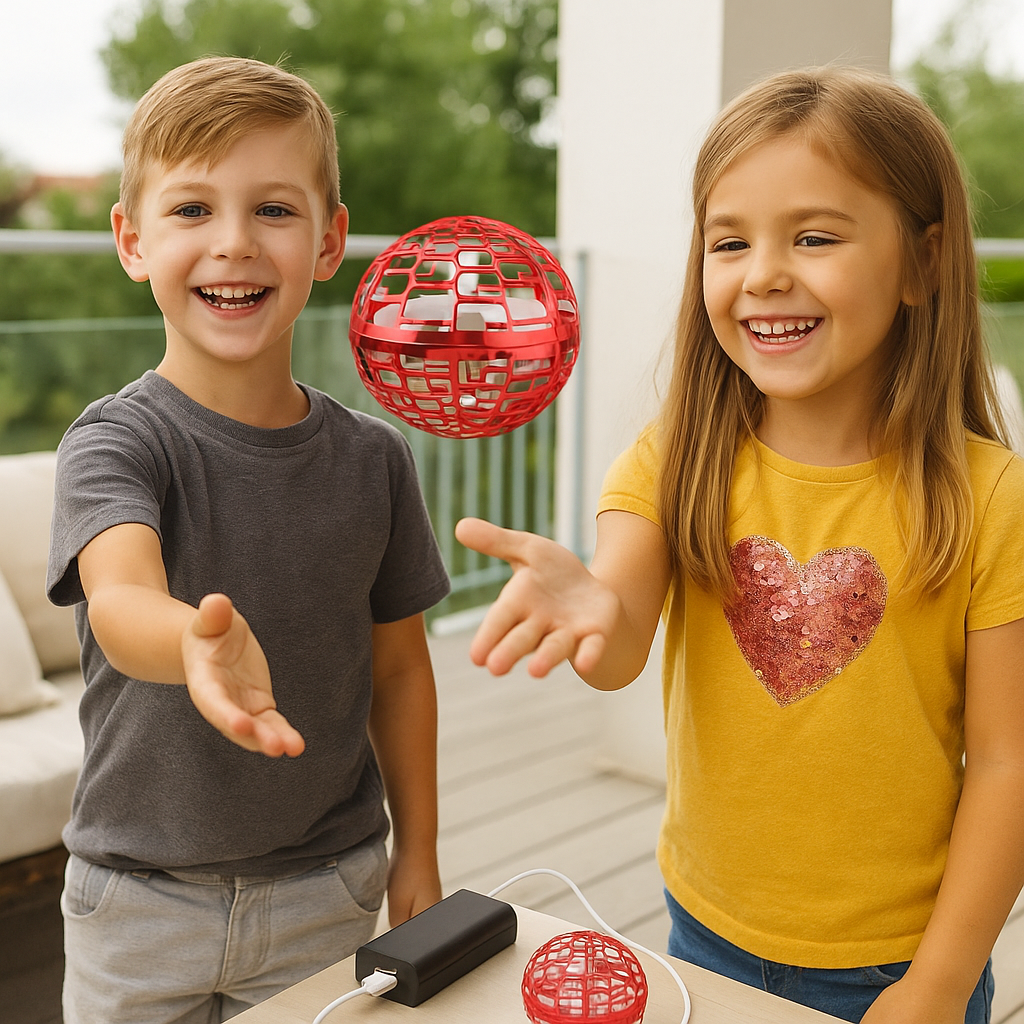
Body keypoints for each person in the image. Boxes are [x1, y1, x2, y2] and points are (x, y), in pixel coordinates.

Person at [456, 66, 1024, 1024]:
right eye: (729, 242)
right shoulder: (672, 458)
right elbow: (615, 647)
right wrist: (591, 608)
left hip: (903, 971)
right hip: (703, 935)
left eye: (814, 237)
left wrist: (934, 987)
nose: (763, 273)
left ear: (924, 262)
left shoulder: (994, 500)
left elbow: (1010, 765)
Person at [46, 56, 450, 1024]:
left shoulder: (375, 459)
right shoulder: (113, 442)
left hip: (329, 888)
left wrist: (421, 852)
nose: (233, 243)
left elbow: (400, 672)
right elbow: (121, 596)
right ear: (132, 241)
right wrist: (190, 643)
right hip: (134, 902)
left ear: (329, 240)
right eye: (192, 210)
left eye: (273, 209)